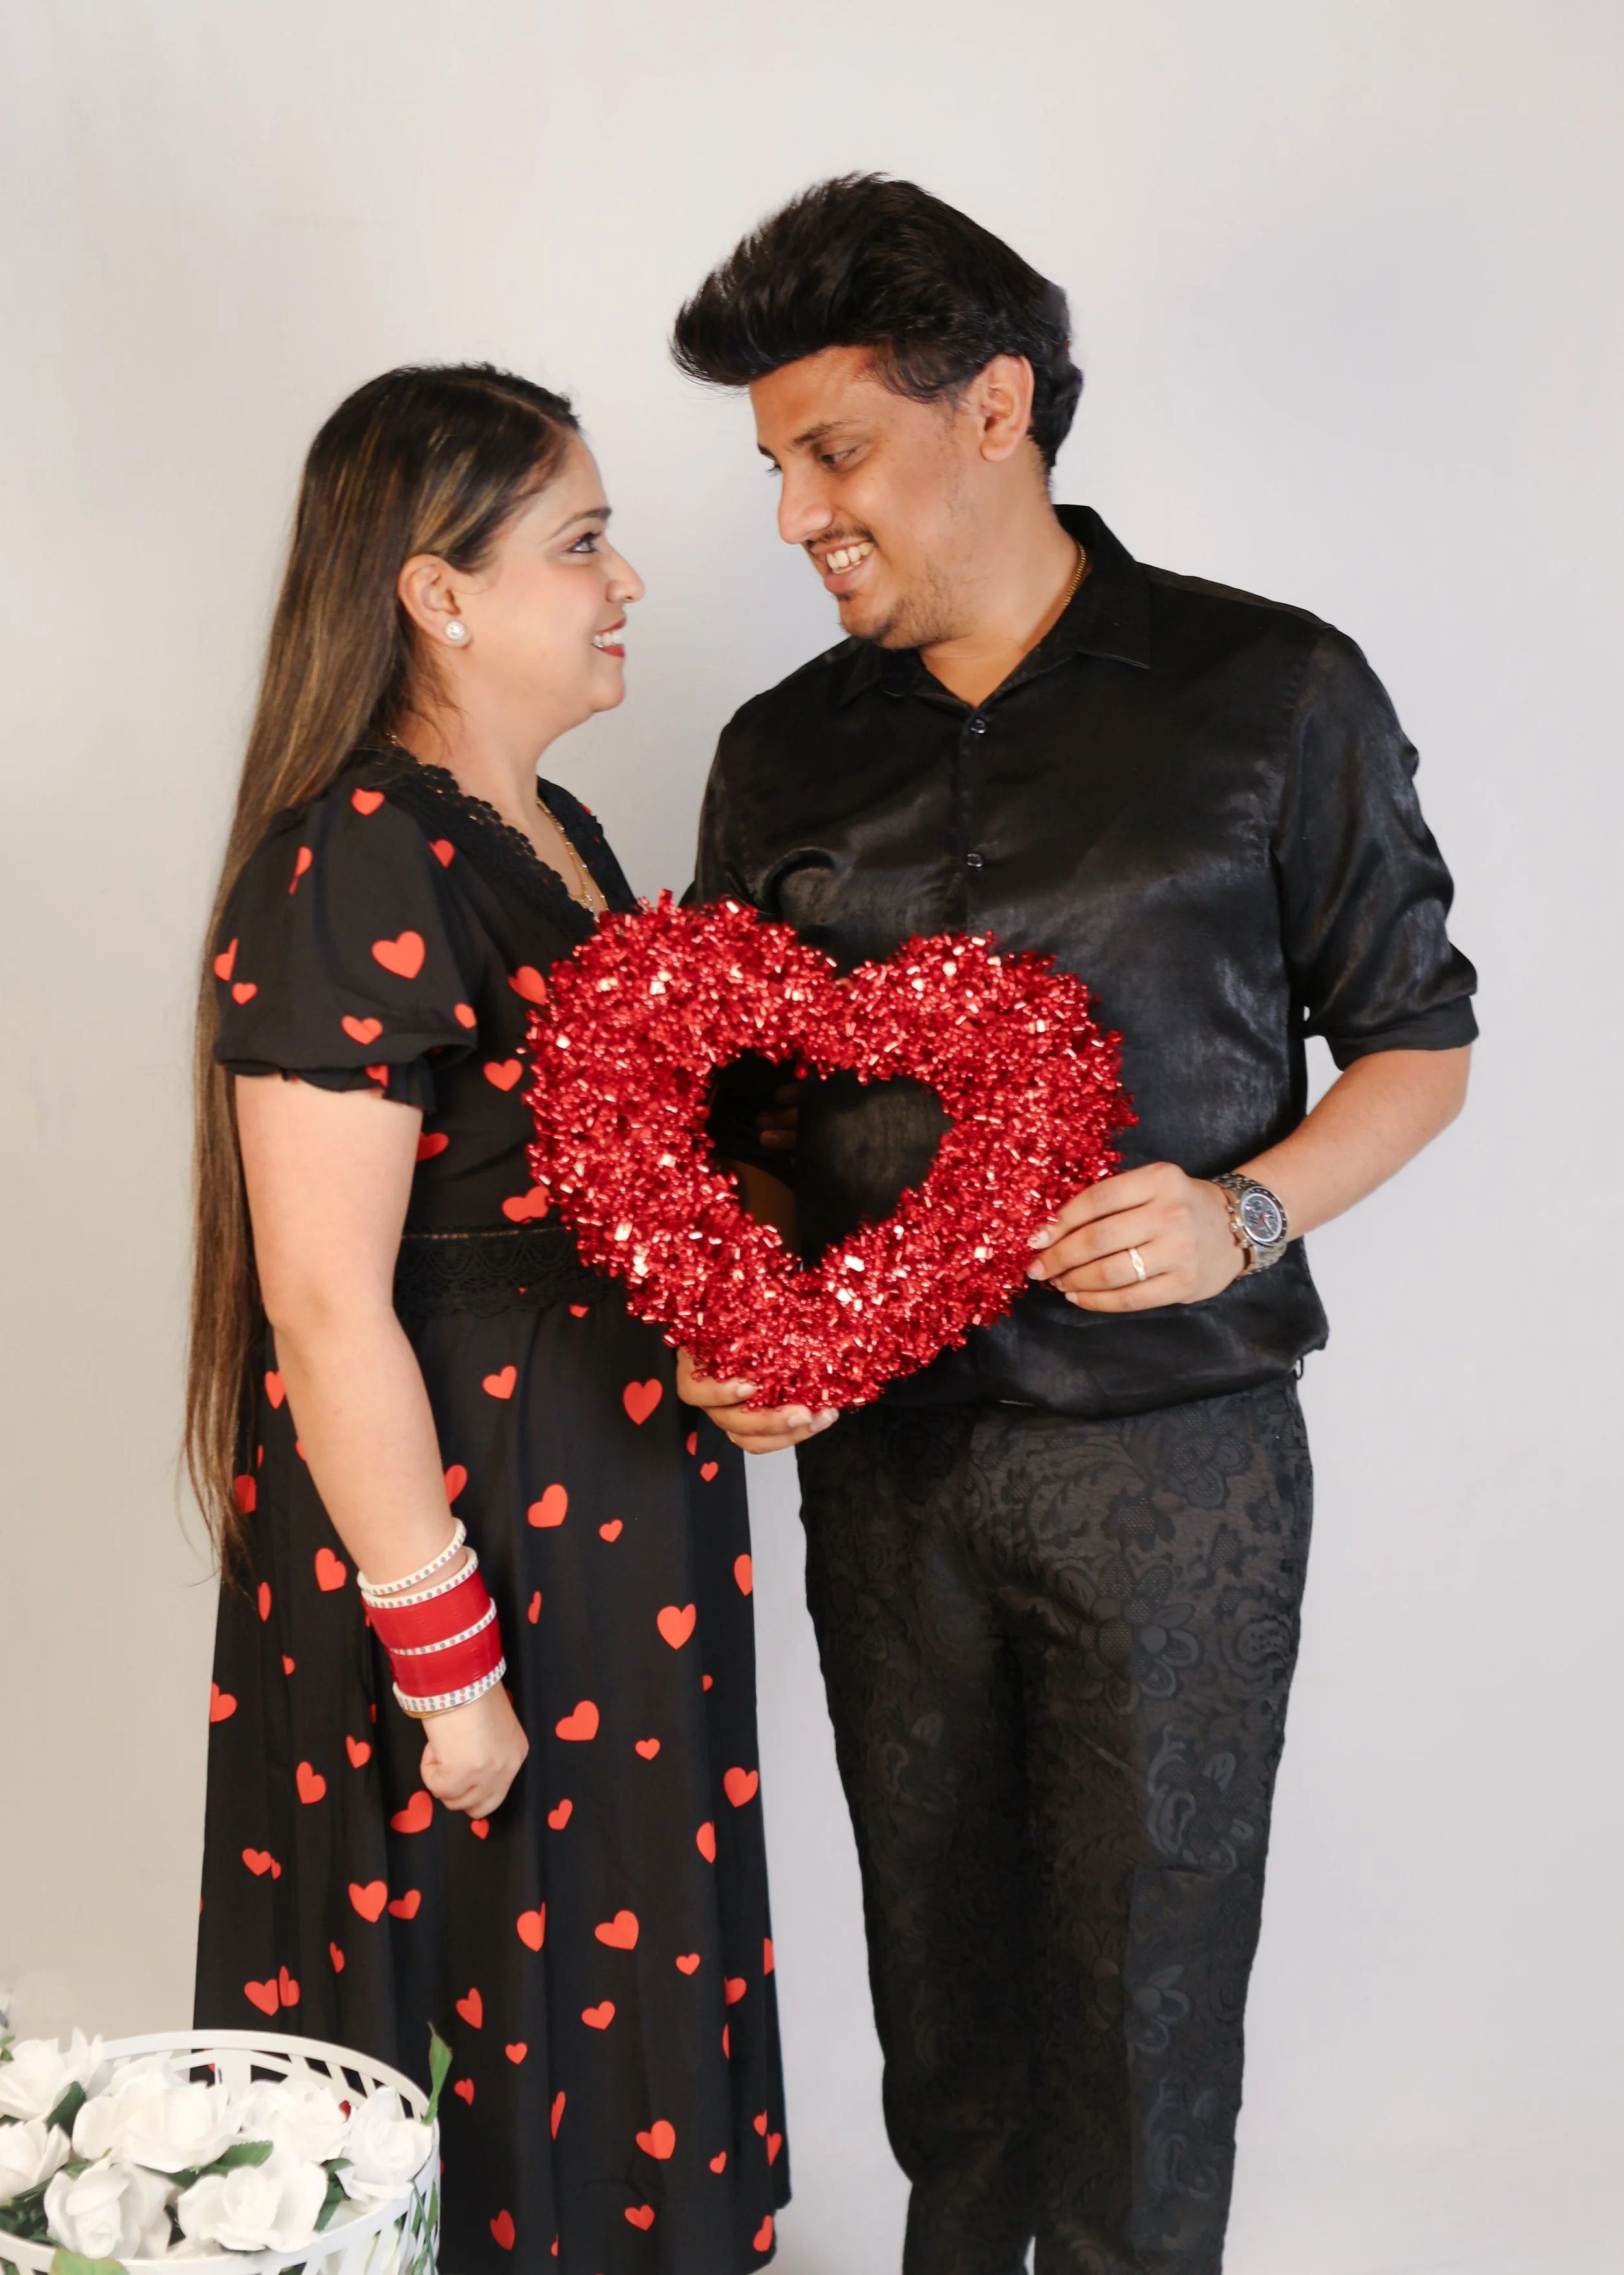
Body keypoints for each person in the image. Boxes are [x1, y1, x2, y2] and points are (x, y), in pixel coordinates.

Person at [672, 177, 1476, 2275]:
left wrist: (1243, 1211)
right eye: (774, 468)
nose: (796, 516)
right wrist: (732, 1301)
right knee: (945, 2029)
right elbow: (743, 1115)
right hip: (887, 1476)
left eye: (833, 451)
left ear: (997, 404)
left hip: (1173, 1470)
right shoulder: (777, 752)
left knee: (1142, 2028)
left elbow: (1417, 1042)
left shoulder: (1270, 689)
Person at [187, 365, 788, 2275]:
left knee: (616, 2009)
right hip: (474, 1543)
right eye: (582, 543)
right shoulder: (360, 848)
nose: (628, 582)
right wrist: (446, 1662)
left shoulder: (556, 827)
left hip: (616, 1521)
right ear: (437, 594)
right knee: (490, 2027)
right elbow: (320, 1295)